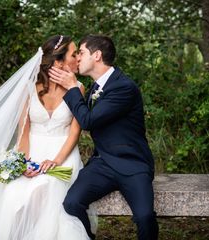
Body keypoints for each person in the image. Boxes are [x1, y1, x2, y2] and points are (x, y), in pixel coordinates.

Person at [49, 34, 159, 240]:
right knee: (72, 203)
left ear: (97, 55)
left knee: (144, 217)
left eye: (81, 52)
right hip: (103, 164)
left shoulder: (123, 87)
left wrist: (72, 87)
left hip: (132, 164)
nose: (78, 58)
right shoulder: (95, 87)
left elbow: (88, 121)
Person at [0, 35, 93, 240]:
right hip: (33, 149)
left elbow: (74, 133)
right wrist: (23, 162)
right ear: (58, 62)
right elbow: (24, 132)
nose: (78, 58)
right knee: (13, 193)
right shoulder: (29, 87)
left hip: (63, 153)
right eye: (74, 54)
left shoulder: (78, 87)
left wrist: (56, 161)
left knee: (49, 187)